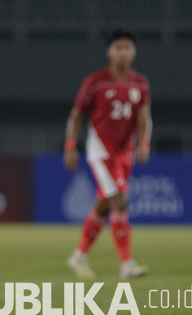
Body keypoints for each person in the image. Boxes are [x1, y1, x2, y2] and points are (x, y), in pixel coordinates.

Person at [64, 29, 152, 279]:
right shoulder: (96, 82)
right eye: (118, 48)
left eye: (128, 48)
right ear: (109, 52)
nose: (123, 52)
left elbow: (144, 118)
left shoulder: (140, 83)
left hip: (125, 153)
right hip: (101, 151)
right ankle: (127, 264)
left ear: (134, 52)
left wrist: (144, 143)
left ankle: (78, 256)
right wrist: (70, 145)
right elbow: (76, 115)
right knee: (120, 200)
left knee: (104, 205)